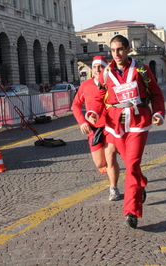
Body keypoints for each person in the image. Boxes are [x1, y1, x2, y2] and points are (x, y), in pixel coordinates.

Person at [87, 35, 165, 229]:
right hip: (116, 125)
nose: (117, 54)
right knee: (130, 164)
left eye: (120, 49)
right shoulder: (106, 73)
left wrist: (159, 113)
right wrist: (93, 113)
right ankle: (142, 182)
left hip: (138, 122)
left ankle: (131, 210)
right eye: (113, 50)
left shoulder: (141, 70)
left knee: (131, 165)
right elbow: (99, 96)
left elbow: (155, 93)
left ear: (128, 49)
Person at [72, 56, 121, 201]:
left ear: (106, 68)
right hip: (94, 128)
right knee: (100, 163)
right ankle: (108, 166)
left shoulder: (112, 83)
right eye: (94, 67)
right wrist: (82, 122)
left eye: (100, 66)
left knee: (110, 157)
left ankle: (114, 188)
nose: (97, 70)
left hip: (110, 126)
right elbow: (75, 105)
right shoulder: (85, 85)